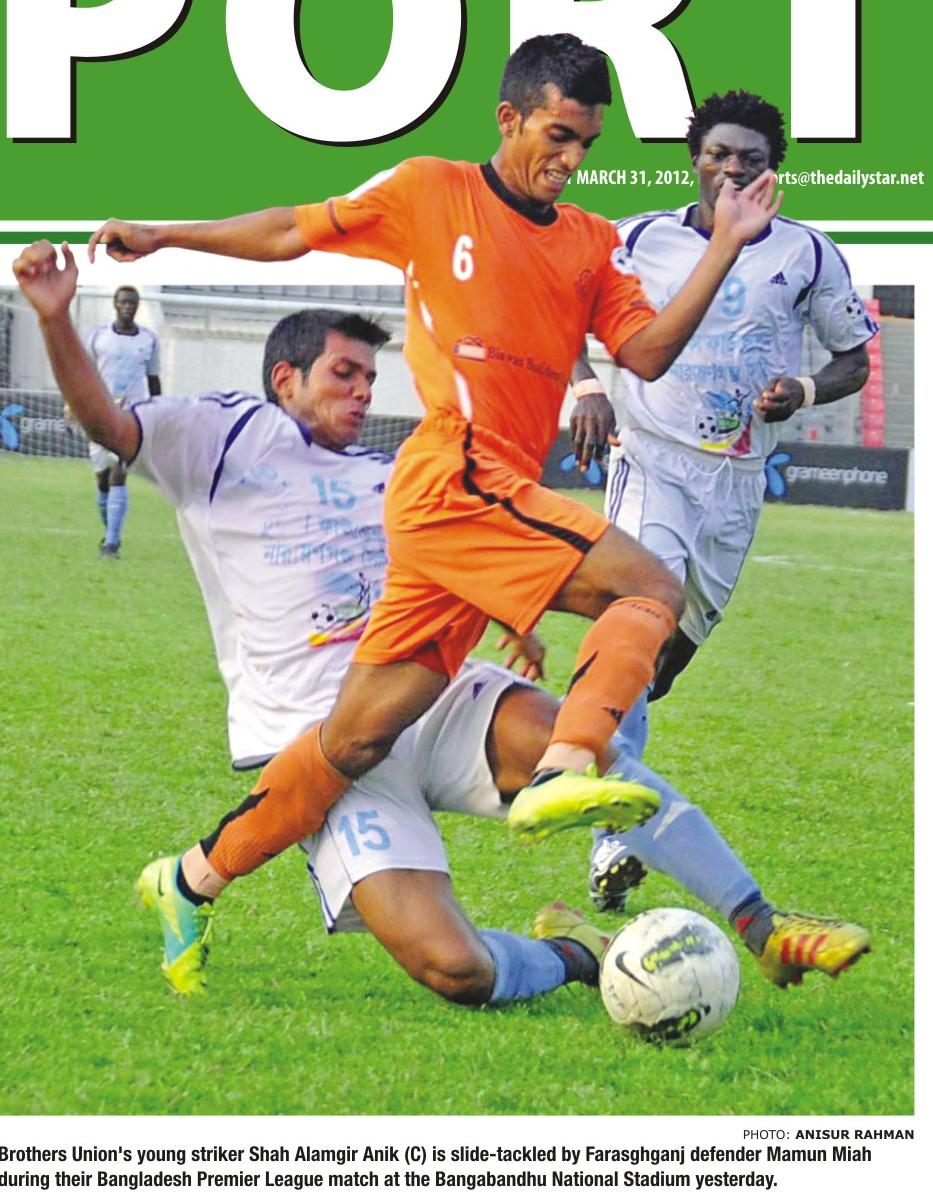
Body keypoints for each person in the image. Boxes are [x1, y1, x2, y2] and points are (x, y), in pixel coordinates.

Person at [14, 239, 869, 1003]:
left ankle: (762, 925)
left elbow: (445, 563)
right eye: (342, 374)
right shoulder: (217, 437)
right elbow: (104, 421)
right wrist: (54, 319)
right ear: (286, 379)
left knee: (589, 752)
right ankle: (577, 950)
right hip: (318, 735)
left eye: (368, 375)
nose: (362, 391)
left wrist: (513, 616)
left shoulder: (389, 474)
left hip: (434, 693)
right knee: (454, 970)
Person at [86, 34, 783, 964]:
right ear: (509, 118)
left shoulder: (588, 242)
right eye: (558, 136)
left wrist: (725, 246)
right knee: (650, 587)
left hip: (485, 501)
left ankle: (190, 879)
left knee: (353, 740)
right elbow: (291, 230)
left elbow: (647, 353)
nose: (572, 160)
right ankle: (565, 766)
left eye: (586, 144)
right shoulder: (428, 190)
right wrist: (166, 235)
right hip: (454, 472)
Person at [572, 90, 877, 912]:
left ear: (773, 170)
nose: (732, 170)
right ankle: (612, 836)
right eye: (718, 155)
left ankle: (599, 748)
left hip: (736, 483)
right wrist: (584, 388)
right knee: (637, 627)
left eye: (750, 158)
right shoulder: (638, 239)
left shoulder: (807, 255)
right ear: (693, 160)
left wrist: (804, 389)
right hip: (651, 462)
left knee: (661, 668)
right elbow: (557, 300)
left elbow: (852, 358)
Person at [83, 284, 161, 556]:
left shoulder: (149, 339)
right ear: (115, 304)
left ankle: (111, 544)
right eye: (123, 302)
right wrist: (74, 405)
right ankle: (110, 532)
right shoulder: (98, 337)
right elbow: (84, 374)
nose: (128, 307)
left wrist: (158, 409)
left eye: (132, 303)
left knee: (120, 472)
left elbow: (153, 379)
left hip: (132, 414)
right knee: (102, 479)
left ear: (137, 306)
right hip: (100, 411)